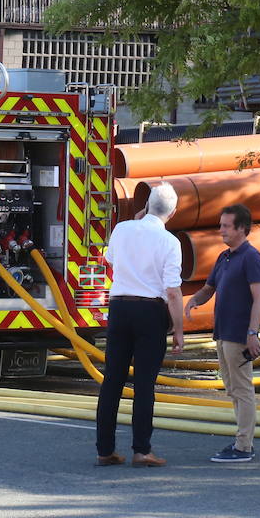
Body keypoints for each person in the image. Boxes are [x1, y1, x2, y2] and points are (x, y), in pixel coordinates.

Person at [95, 182, 185, 468]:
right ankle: (141, 450)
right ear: (173, 212)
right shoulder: (170, 242)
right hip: (150, 311)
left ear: (145, 205)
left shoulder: (122, 229)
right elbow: (172, 290)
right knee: (144, 384)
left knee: (113, 380)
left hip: (120, 306)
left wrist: (134, 224)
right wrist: (179, 330)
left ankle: (105, 449)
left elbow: (109, 259)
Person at [182, 203, 260, 463]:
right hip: (223, 333)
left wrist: (252, 333)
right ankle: (241, 440)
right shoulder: (224, 257)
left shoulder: (251, 257)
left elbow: (259, 298)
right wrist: (194, 299)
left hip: (239, 334)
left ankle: (244, 446)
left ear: (242, 228)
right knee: (232, 389)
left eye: (226, 226)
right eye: (221, 225)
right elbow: (210, 288)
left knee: (242, 389)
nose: (221, 230)